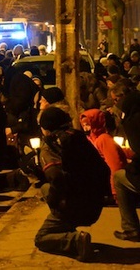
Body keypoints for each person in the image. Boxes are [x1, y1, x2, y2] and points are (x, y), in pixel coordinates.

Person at [34, 107, 108, 261]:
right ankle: (67, 227)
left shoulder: (50, 146)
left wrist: (57, 204)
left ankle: (75, 241)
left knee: (41, 238)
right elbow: (104, 170)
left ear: (45, 128)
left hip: (74, 204)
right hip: (95, 204)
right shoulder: (79, 137)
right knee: (45, 188)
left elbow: (56, 178)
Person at [112, 81, 140, 242]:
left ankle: (131, 228)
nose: (115, 104)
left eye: (116, 100)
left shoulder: (133, 120)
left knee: (119, 178)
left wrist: (132, 164)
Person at [79, 108, 127, 201]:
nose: (85, 128)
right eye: (83, 125)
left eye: (88, 125)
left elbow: (115, 165)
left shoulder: (103, 139)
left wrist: (115, 190)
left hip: (107, 183)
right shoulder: (90, 139)